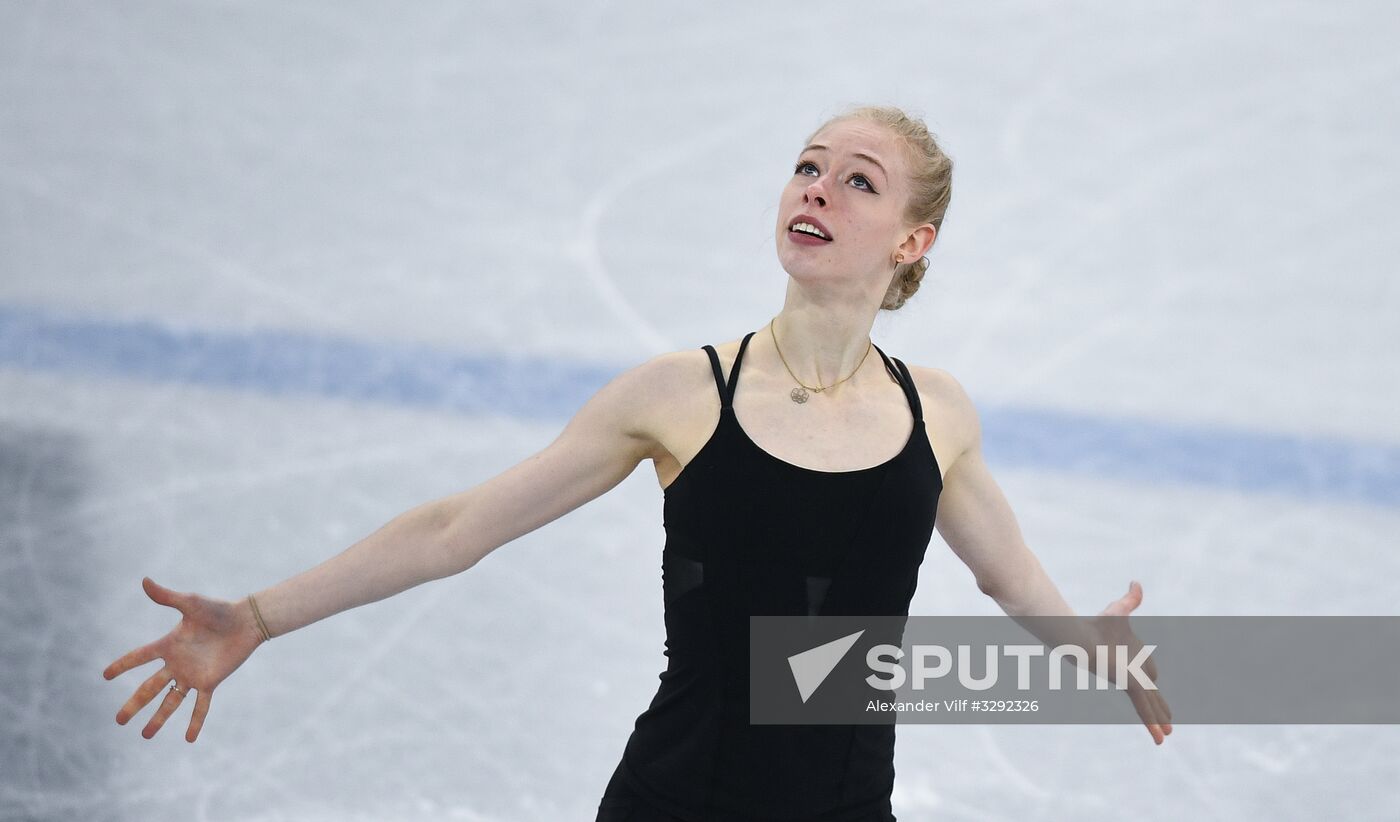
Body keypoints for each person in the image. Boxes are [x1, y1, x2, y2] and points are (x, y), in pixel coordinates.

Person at [103, 104, 1172, 821]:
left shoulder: (935, 413)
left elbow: (1005, 577)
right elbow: (454, 531)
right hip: (678, 799)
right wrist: (259, 616)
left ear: (912, 241)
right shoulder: (677, 396)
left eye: (858, 182)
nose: (816, 190)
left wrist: (1094, 649)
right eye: (807, 167)